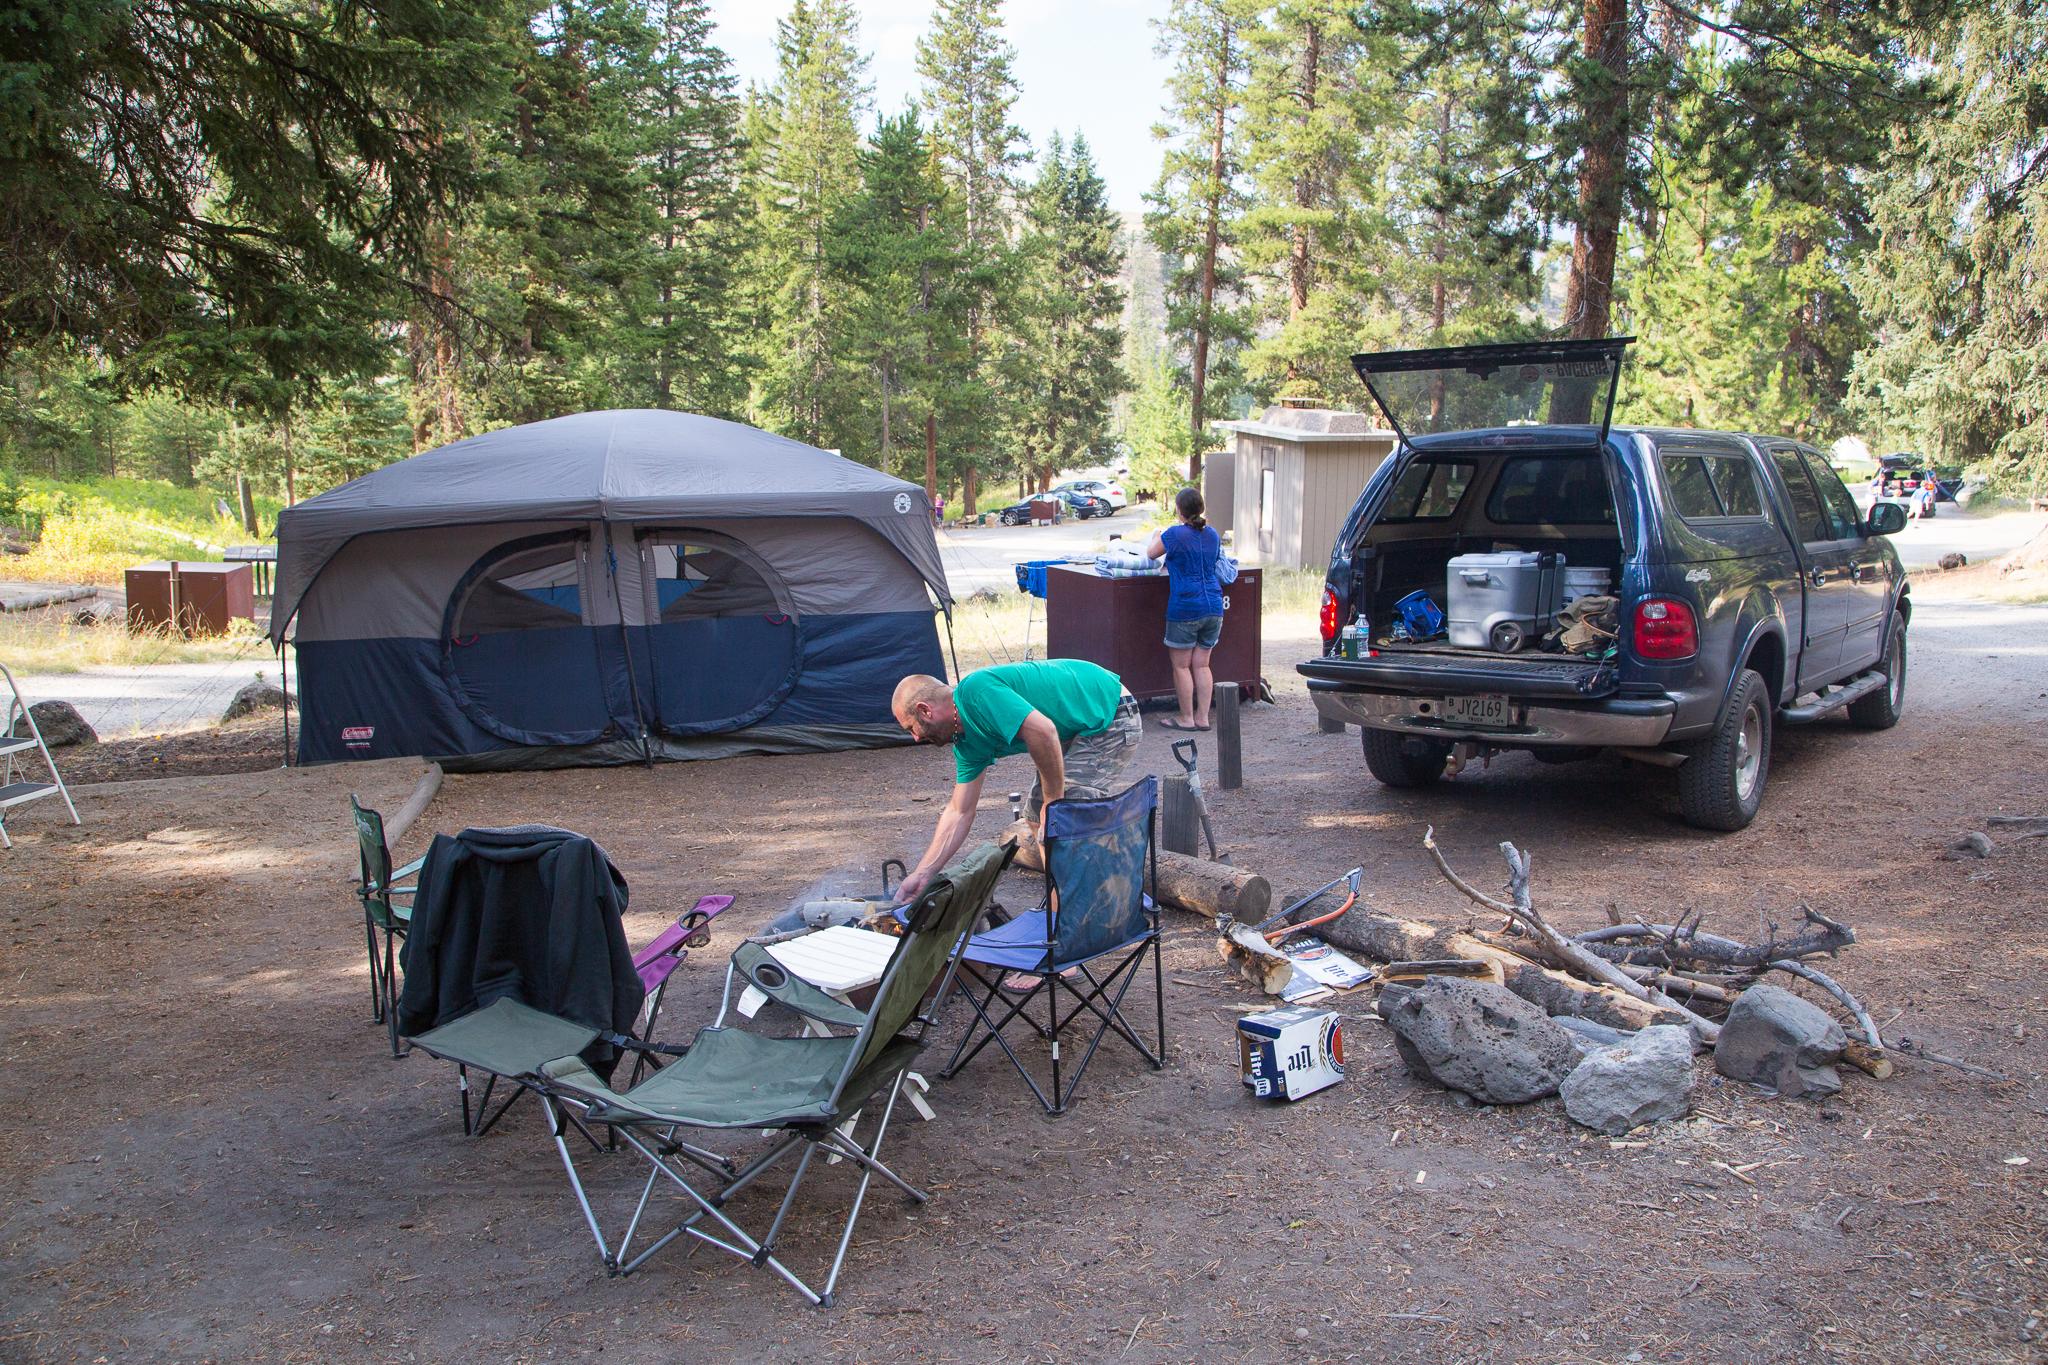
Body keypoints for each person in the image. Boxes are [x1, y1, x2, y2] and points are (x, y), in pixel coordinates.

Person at [889, 659, 1140, 906]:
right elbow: (959, 811)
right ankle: (1061, 907)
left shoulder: (977, 693)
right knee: (1036, 816)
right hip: (1076, 722)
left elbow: (1043, 731)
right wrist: (924, 874)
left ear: (925, 710)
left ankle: (1087, 911)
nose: (915, 737)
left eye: (911, 727)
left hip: (1110, 711)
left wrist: (1054, 800)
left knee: (1063, 815)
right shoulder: (966, 742)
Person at [1147, 486, 1225, 732]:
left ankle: (1186, 718)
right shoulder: (1212, 534)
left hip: (1186, 606)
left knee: (1181, 666)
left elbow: (1151, 554)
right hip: (1214, 605)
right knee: (1202, 665)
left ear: (1179, 510)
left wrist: (1155, 535)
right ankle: (1203, 718)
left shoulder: (1174, 534)